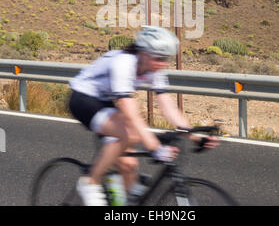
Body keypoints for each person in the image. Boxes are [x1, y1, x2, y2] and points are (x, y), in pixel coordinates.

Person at [69, 25, 217, 206]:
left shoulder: (154, 69)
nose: (163, 64)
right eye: (159, 58)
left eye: (167, 59)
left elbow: (168, 106)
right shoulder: (124, 63)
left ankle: (123, 196)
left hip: (106, 102)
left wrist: (194, 136)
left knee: (130, 166)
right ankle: (90, 182)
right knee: (128, 134)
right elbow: (130, 111)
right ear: (144, 53)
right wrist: (155, 148)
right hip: (83, 98)